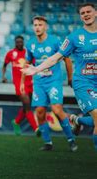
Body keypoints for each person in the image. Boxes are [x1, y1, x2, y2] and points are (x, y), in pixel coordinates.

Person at [23, 3, 97, 151]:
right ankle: (50, 142)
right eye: (82, 13)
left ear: (96, 13)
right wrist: (36, 69)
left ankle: (77, 120)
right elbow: (56, 58)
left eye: (89, 11)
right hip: (83, 82)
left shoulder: (54, 40)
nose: (86, 14)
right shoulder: (75, 37)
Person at [22, 16, 77, 151]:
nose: (37, 27)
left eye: (40, 25)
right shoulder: (30, 44)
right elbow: (27, 64)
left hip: (54, 81)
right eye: (35, 25)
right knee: (40, 112)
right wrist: (22, 82)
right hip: (39, 83)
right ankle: (48, 143)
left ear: (45, 27)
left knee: (56, 109)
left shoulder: (55, 41)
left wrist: (70, 78)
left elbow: (67, 60)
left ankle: (71, 139)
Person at [2, 35, 39, 136]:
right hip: (19, 83)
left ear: (23, 43)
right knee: (27, 107)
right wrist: (3, 76)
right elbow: (4, 65)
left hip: (29, 82)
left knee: (26, 105)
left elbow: (35, 65)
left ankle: (17, 121)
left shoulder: (28, 53)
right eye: (17, 42)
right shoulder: (10, 53)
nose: (19, 44)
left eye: (21, 42)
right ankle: (36, 128)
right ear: (15, 43)